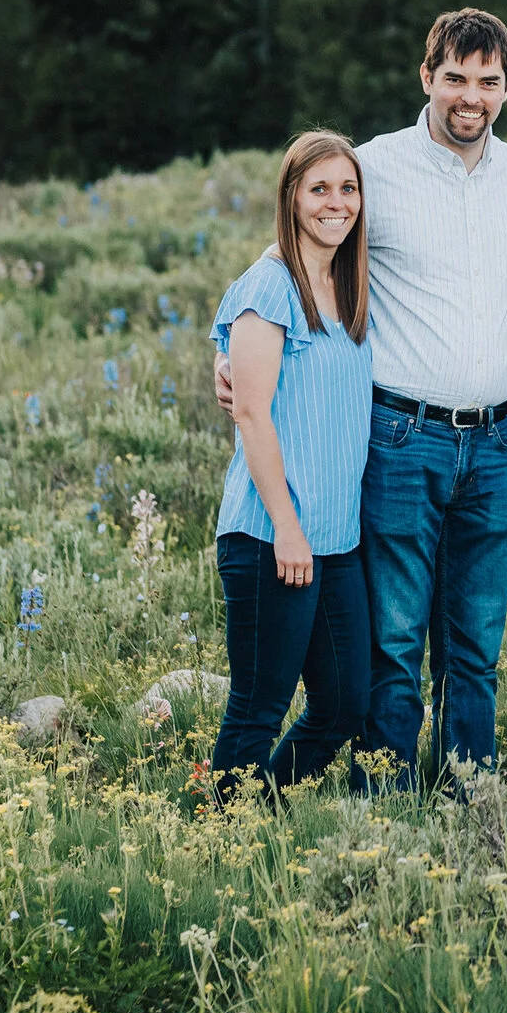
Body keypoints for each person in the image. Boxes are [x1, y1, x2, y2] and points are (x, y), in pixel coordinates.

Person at [218, 10, 507, 791]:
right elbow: (284, 251)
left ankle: (471, 791)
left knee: (477, 641)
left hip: (498, 441)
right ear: (427, 75)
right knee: (395, 639)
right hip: (404, 436)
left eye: (489, 81)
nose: (472, 96)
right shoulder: (374, 166)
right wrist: (226, 350)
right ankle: (387, 799)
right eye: (456, 78)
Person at [207, 130, 375, 792]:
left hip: (336, 539)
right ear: (291, 196)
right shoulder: (269, 287)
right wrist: (287, 526)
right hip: (272, 534)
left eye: (348, 187)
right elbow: (250, 411)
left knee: (341, 705)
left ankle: (261, 811)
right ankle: (227, 842)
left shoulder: (349, 282)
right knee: (257, 708)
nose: (336, 203)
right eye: (319, 188)